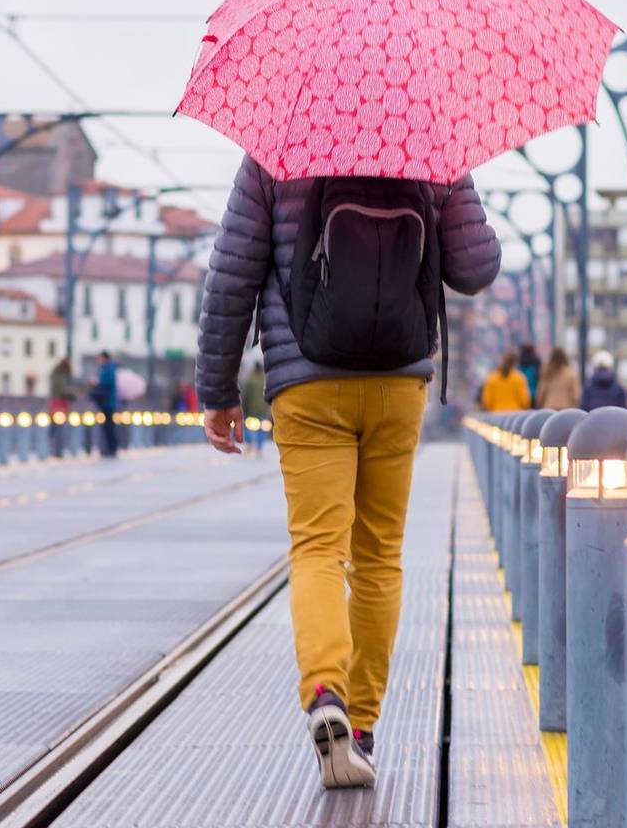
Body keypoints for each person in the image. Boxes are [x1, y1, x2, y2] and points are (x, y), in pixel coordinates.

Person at [196, 155, 500, 789]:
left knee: (317, 549)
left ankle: (325, 692)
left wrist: (218, 389)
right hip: (397, 379)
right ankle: (360, 727)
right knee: (380, 555)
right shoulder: (433, 139)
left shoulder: (276, 144)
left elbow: (231, 275)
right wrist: (456, 177)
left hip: (307, 378)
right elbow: (476, 268)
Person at [90, 351, 119, 457]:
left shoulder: (108, 370)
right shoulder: (106, 369)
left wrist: (97, 384)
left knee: (109, 427)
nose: (98, 361)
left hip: (108, 402)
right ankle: (109, 448)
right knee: (107, 427)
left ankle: (111, 448)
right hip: (106, 402)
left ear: (105, 358)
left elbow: (106, 385)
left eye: (100, 358)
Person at [240, 360, 269, 458]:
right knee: (261, 427)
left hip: (250, 408)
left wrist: (243, 406)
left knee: (247, 426)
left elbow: (245, 395)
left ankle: (248, 444)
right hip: (262, 409)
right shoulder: (264, 380)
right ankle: (259, 448)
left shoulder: (250, 380)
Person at [47, 357, 74, 457]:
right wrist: (71, 395)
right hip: (60, 403)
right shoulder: (61, 375)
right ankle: (57, 450)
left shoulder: (55, 373)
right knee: (59, 428)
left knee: (54, 428)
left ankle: (54, 449)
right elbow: (62, 390)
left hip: (55, 402)